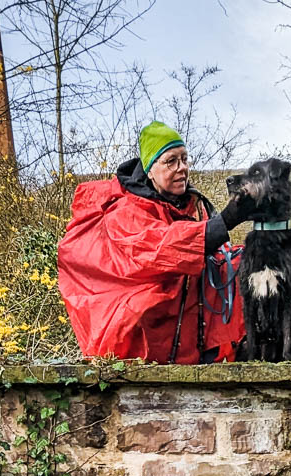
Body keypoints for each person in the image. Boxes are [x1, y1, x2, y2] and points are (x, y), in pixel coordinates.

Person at [58, 121, 248, 363]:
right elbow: (162, 248)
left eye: (185, 159)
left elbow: (212, 257)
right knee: (151, 296)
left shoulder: (191, 207)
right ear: (149, 169)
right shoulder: (125, 209)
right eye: (171, 161)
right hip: (138, 350)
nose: (182, 168)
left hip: (188, 348)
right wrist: (225, 221)